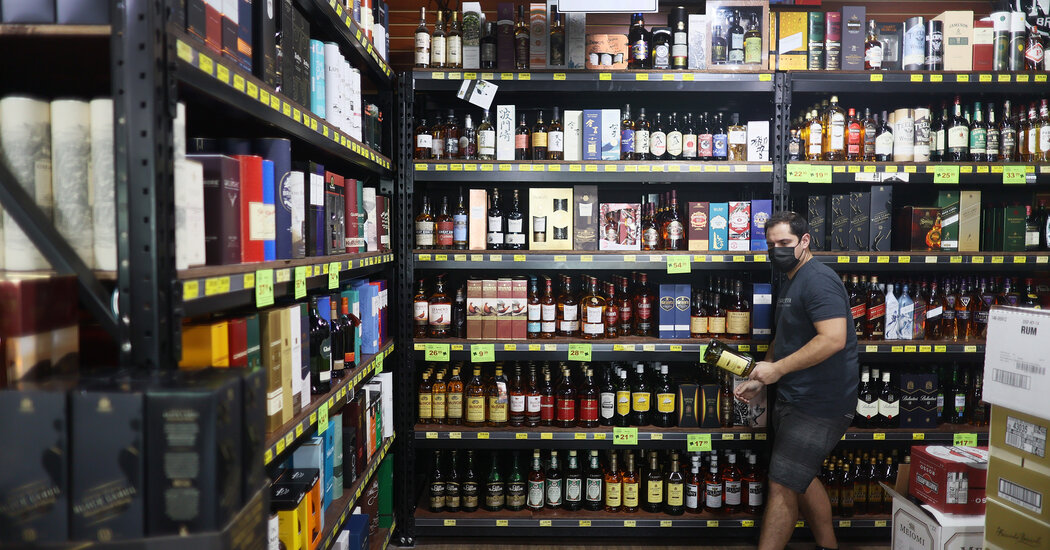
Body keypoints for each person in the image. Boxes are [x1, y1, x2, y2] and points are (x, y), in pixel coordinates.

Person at [735, 211, 859, 550]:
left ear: (805, 241)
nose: (777, 250)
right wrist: (764, 375)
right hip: (795, 397)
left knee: (782, 484)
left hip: (820, 403)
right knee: (798, 477)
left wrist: (777, 370)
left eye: (785, 242)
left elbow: (833, 338)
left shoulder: (819, 280)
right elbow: (786, 336)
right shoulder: (793, 279)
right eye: (771, 244)